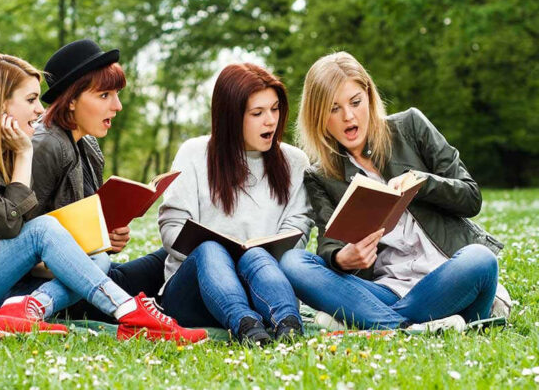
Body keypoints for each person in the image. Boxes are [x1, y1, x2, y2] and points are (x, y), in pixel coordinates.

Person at [0, 53, 206, 343]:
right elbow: (10, 225)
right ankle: (131, 314)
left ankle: (30, 309)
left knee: (98, 258)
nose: (40, 110)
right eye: (32, 99)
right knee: (43, 230)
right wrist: (24, 157)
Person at [280, 51, 502, 332]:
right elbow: (329, 243)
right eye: (334, 108)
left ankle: (371, 321)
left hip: (449, 278)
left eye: (355, 102)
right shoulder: (320, 175)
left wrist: (421, 182)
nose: (348, 116)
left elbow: (471, 197)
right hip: (387, 290)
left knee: (480, 259)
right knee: (293, 262)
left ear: (370, 97)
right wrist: (341, 258)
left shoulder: (411, 127)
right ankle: (408, 328)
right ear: (319, 117)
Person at [158, 63, 313, 344]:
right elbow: (171, 227)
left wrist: (255, 252)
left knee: (255, 256)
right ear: (231, 116)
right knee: (210, 251)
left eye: (275, 109)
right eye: (257, 113)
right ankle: (246, 325)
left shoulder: (294, 161)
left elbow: (298, 226)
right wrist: (223, 254)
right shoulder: (194, 153)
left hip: (262, 285)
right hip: (196, 294)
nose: (270, 120)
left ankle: (288, 323)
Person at [28, 39, 167, 319]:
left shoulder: (88, 145)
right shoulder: (44, 145)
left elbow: (83, 227)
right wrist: (89, 256)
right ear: (70, 101)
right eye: (104, 95)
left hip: (91, 269)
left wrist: (107, 236)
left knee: (173, 256)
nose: (117, 106)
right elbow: (21, 243)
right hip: (51, 283)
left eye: (116, 94)